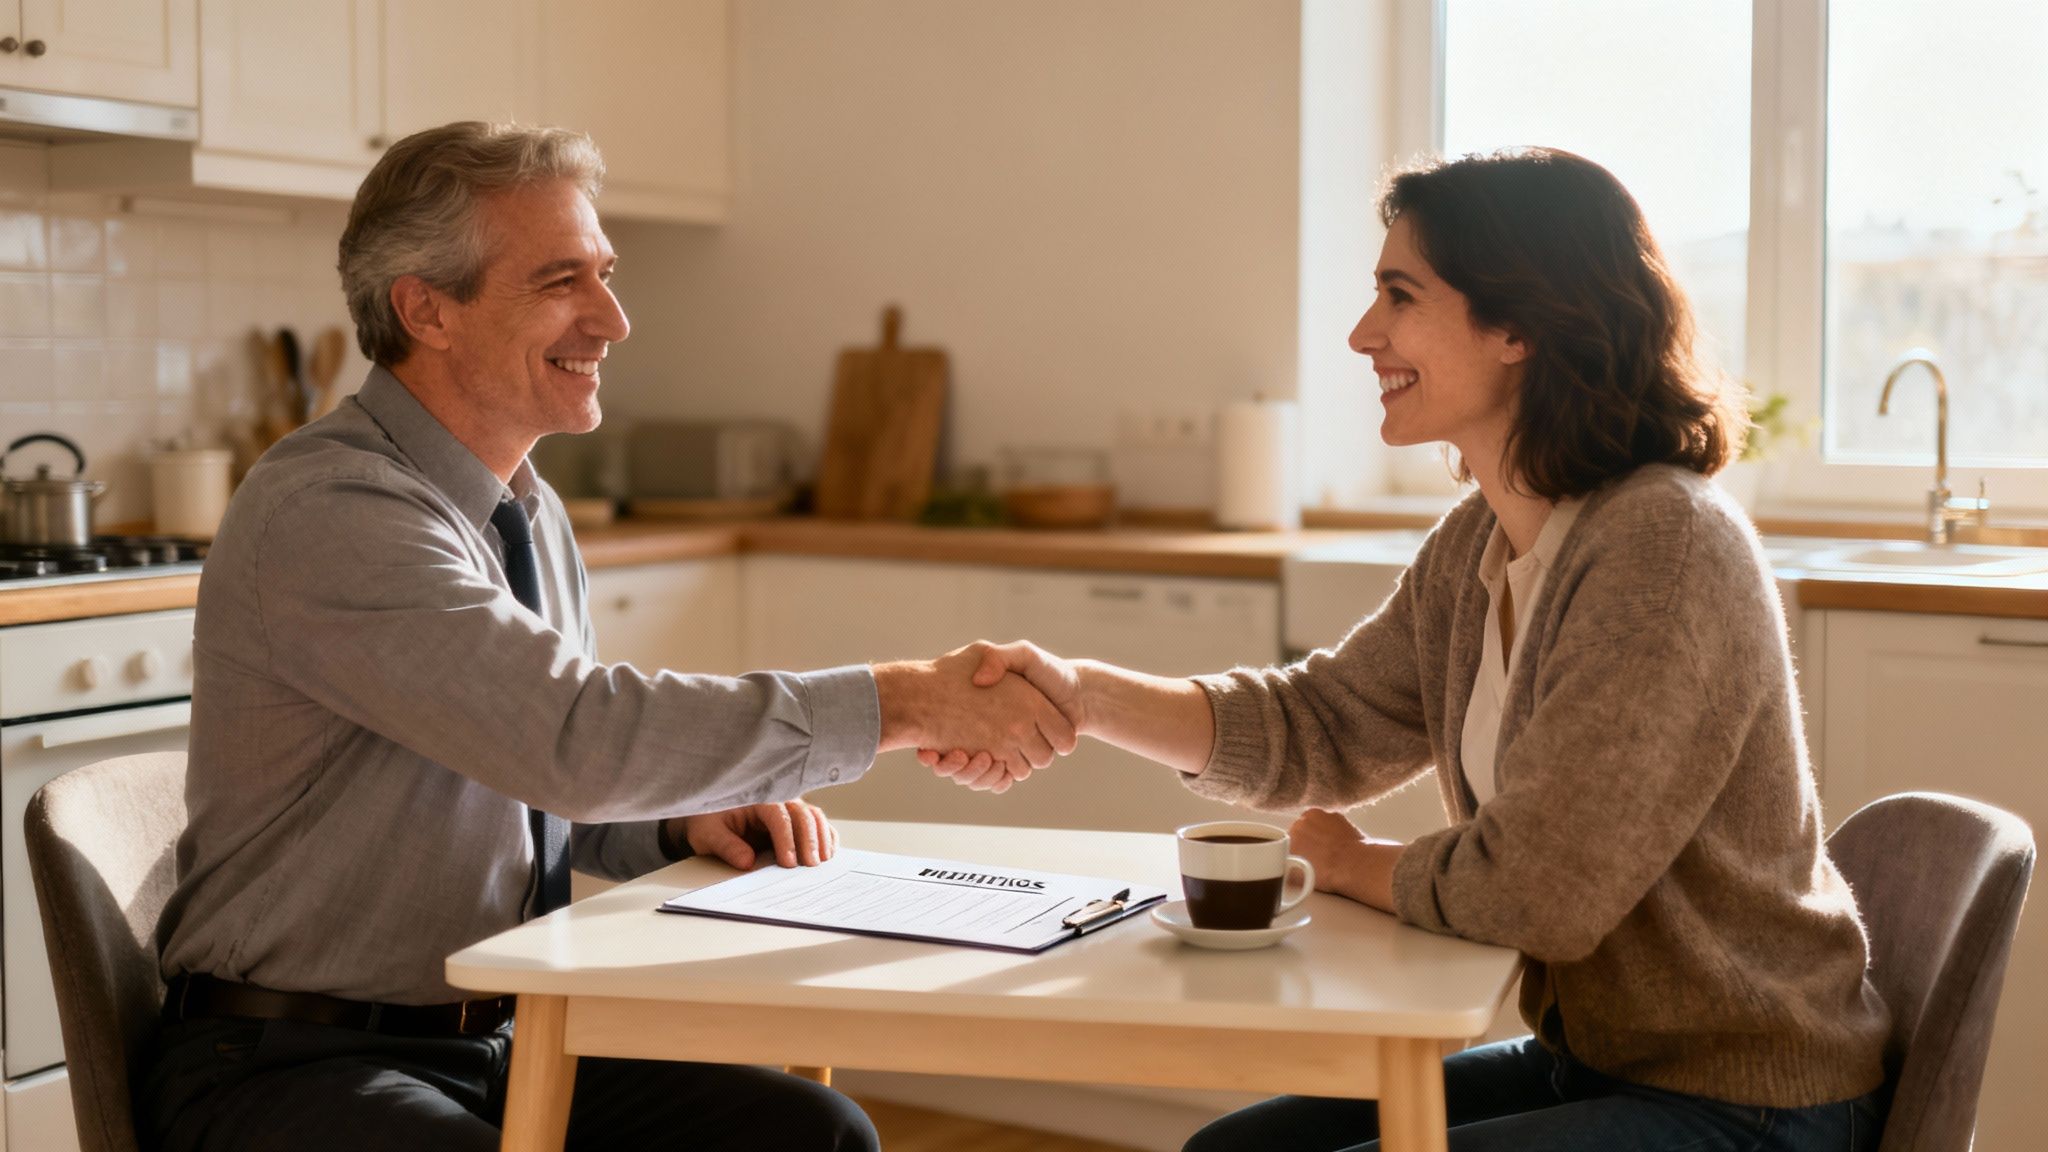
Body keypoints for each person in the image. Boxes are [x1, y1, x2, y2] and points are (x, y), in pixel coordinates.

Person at [142, 121, 1076, 1152]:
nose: (614, 319)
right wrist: (905, 699)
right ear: (426, 310)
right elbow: (575, 743)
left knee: (814, 1134)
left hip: (500, 1039)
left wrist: (673, 830)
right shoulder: (337, 510)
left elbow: (526, 782)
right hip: (294, 1064)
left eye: (606, 274)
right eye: (560, 281)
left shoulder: (522, 509)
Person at [932, 148, 1891, 1151]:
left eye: (1399, 294)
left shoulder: (1663, 548)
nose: (1361, 334)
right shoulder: (1483, 540)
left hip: (1749, 1099)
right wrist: (1082, 696)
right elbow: (1320, 727)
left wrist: (1353, 865)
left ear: (1519, 323)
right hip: (1600, 1065)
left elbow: (1541, 894)